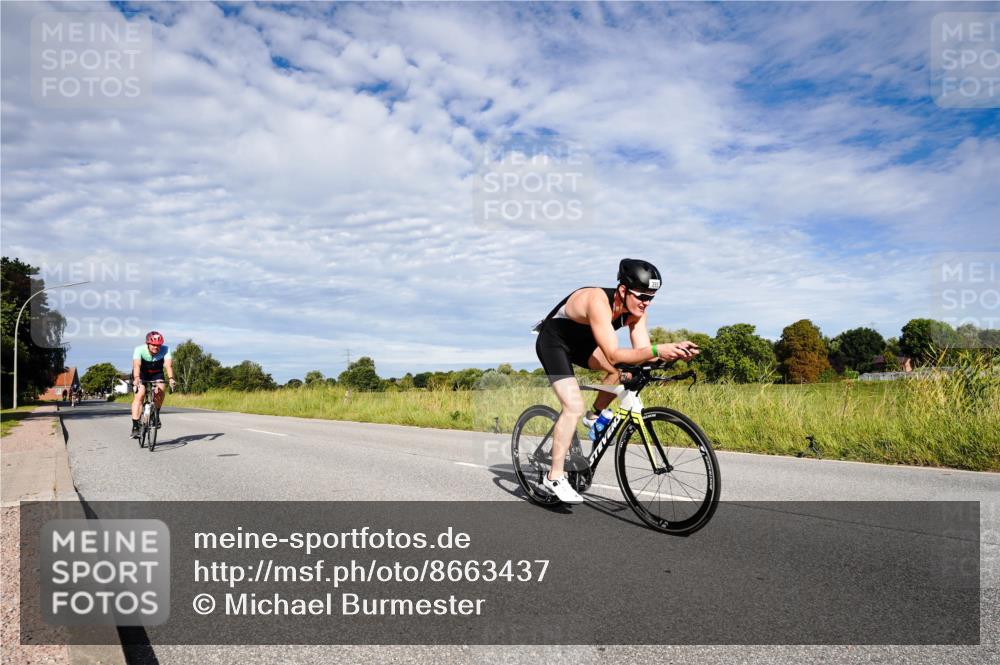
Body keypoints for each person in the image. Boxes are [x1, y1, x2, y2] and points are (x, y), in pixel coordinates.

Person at [533, 259, 700, 504]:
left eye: (651, 298)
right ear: (623, 290)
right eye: (642, 296)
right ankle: (554, 476)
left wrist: (672, 353)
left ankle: (594, 417)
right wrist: (657, 348)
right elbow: (613, 353)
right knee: (572, 406)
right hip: (554, 342)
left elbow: (641, 351)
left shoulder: (637, 311)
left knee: (623, 371)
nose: (646, 303)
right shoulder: (597, 301)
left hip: (585, 346)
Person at [130, 331, 176, 438]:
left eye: (158, 345)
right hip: (141, 373)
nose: (156, 347)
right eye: (153, 345)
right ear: (147, 344)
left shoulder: (166, 349)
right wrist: (136, 379)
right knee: (140, 394)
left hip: (157, 373)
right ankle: (135, 426)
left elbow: (169, 366)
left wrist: (171, 379)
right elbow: (137, 365)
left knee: (160, 390)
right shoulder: (139, 349)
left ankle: (156, 414)